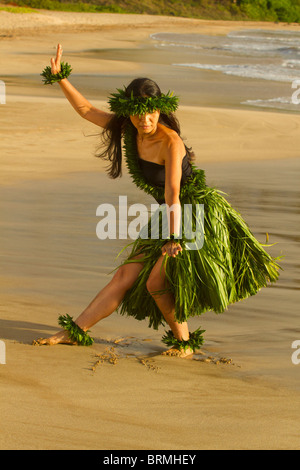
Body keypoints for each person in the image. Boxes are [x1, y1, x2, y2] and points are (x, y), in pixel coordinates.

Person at [35, 44, 280, 357]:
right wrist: (60, 78)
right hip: (169, 212)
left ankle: (184, 343)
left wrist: (173, 237)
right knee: (125, 275)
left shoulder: (170, 142)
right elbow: (86, 110)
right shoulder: (128, 129)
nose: (143, 119)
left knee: (154, 283)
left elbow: (174, 194)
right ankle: (75, 331)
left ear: (160, 108)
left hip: (194, 213)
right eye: (136, 112)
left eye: (149, 111)